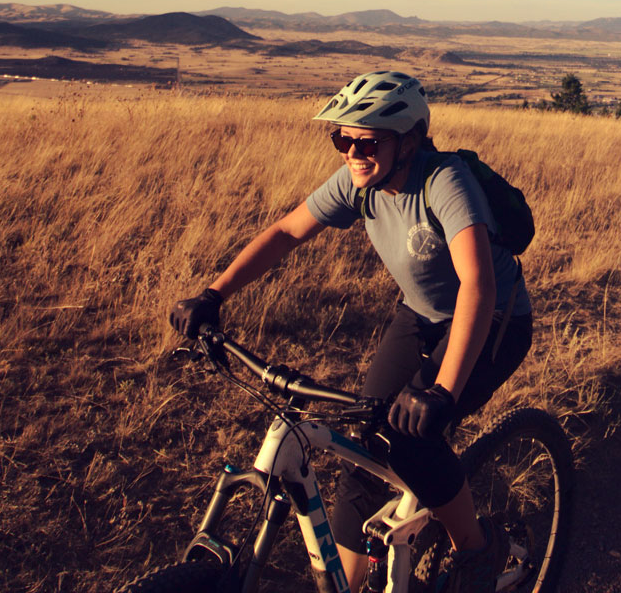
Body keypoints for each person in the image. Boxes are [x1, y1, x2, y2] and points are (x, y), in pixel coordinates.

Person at [170, 70, 534, 593]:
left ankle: (478, 551)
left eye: (366, 141)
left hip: (494, 321)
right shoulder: (358, 183)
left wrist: (441, 392)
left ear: (409, 140)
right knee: (364, 441)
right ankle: (346, 584)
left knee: (412, 440)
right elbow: (284, 233)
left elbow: (479, 287)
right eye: (342, 139)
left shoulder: (444, 182)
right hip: (421, 314)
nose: (351, 152)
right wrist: (213, 295)